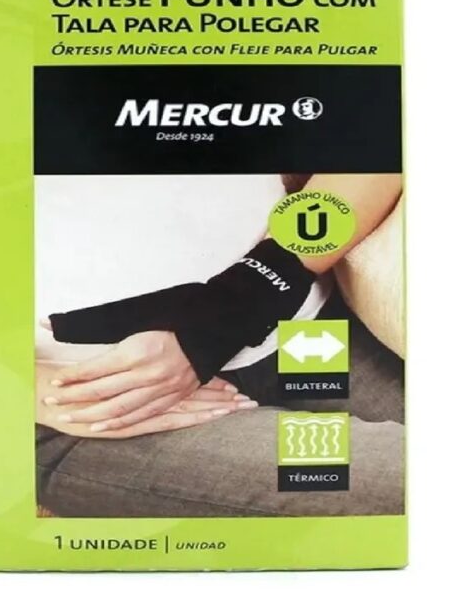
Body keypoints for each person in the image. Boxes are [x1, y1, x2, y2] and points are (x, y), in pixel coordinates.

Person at [34, 172, 404, 517]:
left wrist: (241, 300)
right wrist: (23, 388)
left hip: (297, 331)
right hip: (103, 404)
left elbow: (372, 152)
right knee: (406, 479)